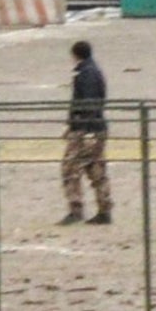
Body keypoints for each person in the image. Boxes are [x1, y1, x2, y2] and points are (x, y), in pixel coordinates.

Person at [60, 38, 110, 225]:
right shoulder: (94, 71)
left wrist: (78, 125)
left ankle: (76, 209)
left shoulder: (85, 74)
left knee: (70, 168)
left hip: (86, 129)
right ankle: (104, 209)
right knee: (96, 169)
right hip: (97, 127)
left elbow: (86, 102)